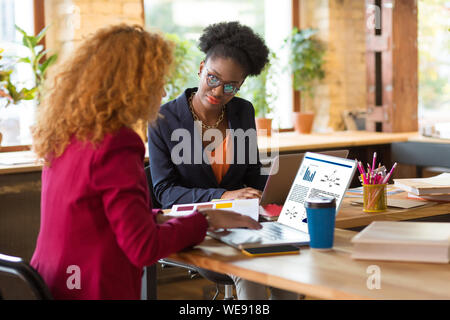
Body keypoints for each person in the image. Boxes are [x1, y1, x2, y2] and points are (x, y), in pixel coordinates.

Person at [30, 24, 261, 300]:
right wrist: (205, 218)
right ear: (132, 86)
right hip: (92, 287)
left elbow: (106, 218)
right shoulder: (118, 143)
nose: (163, 93)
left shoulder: (67, 133)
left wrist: (167, 217)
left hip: (52, 283)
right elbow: (143, 246)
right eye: (156, 82)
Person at [148, 21, 298, 300]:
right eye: (213, 78)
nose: (218, 92)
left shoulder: (242, 111)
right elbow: (165, 192)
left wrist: (276, 188)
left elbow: (253, 172)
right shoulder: (163, 119)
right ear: (201, 68)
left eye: (230, 86)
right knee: (248, 269)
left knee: (287, 261)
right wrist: (224, 196)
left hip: (241, 222)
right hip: (193, 225)